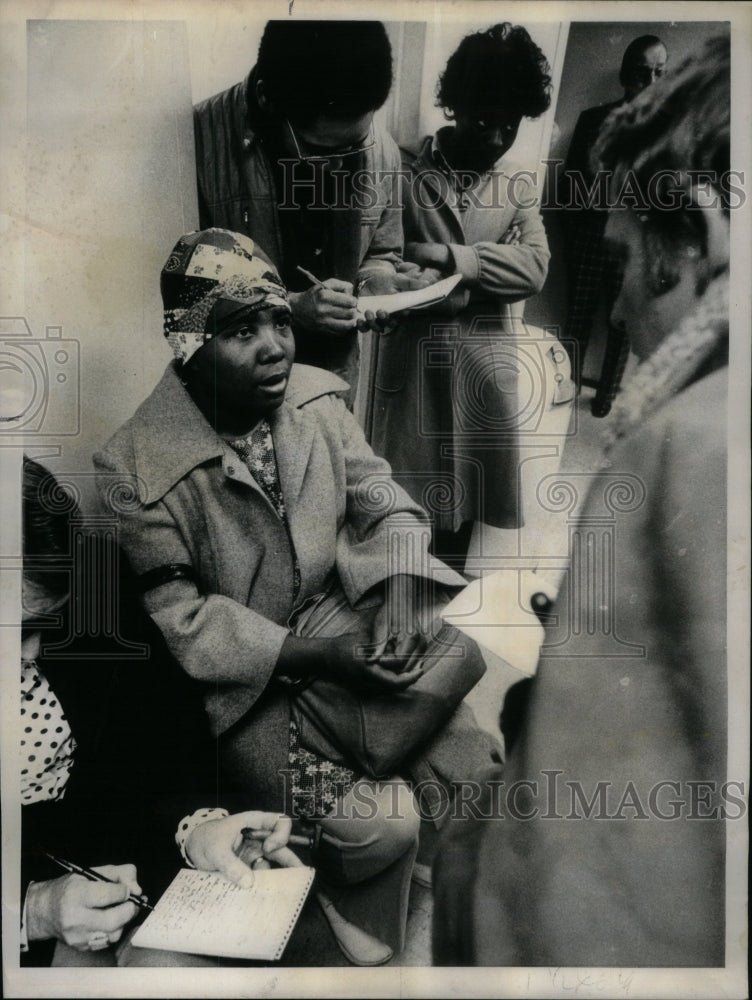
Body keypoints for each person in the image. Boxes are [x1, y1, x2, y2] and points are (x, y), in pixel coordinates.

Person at [93, 228, 494, 964]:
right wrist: (320, 655)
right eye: (241, 329)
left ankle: (438, 868)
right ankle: (352, 904)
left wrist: (403, 591)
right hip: (250, 687)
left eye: (280, 319)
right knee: (379, 824)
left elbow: (388, 503)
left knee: (475, 764)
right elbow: (183, 621)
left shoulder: (317, 403)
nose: (277, 345)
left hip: (346, 622)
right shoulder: (132, 466)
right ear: (187, 342)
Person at [433, 34, 730, 966]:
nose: (630, 326)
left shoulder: (696, 444)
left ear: (696, 239)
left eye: (622, 253)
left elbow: (588, 895)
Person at [19, 456, 296, 967]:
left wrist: (200, 828)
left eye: (41, 622)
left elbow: (170, 737)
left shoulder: (94, 581)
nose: (32, 654)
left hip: (130, 858)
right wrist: (32, 912)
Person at [367, 22, 555, 570]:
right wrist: (484, 268)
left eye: (510, 125)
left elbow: (537, 267)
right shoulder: (403, 170)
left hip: (483, 367)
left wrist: (450, 259)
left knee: (466, 501)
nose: (497, 139)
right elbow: (387, 260)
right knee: (405, 502)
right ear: (454, 106)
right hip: (413, 369)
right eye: (482, 122)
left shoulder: (519, 185)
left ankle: (442, 615)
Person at [194, 19, 431, 398]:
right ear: (268, 98)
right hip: (233, 391)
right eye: (321, 151)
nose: (340, 165)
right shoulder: (194, 144)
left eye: (354, 148)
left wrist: (375, 285)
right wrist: (286, 308)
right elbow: (183, 295)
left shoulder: (381, 147)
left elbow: (382, 252)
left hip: (333, 383)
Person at [560, 34, 668, 415]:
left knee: (622, 326)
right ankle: (565, 389)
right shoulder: (593, 120)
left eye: (660, 73)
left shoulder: (668, 131)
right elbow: (570, 182)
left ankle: (606, 396)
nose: (651, 83)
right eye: (642, 73)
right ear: (625, 76)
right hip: (589, 237)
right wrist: (574, 234)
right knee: (578, 317)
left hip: (633, 245)